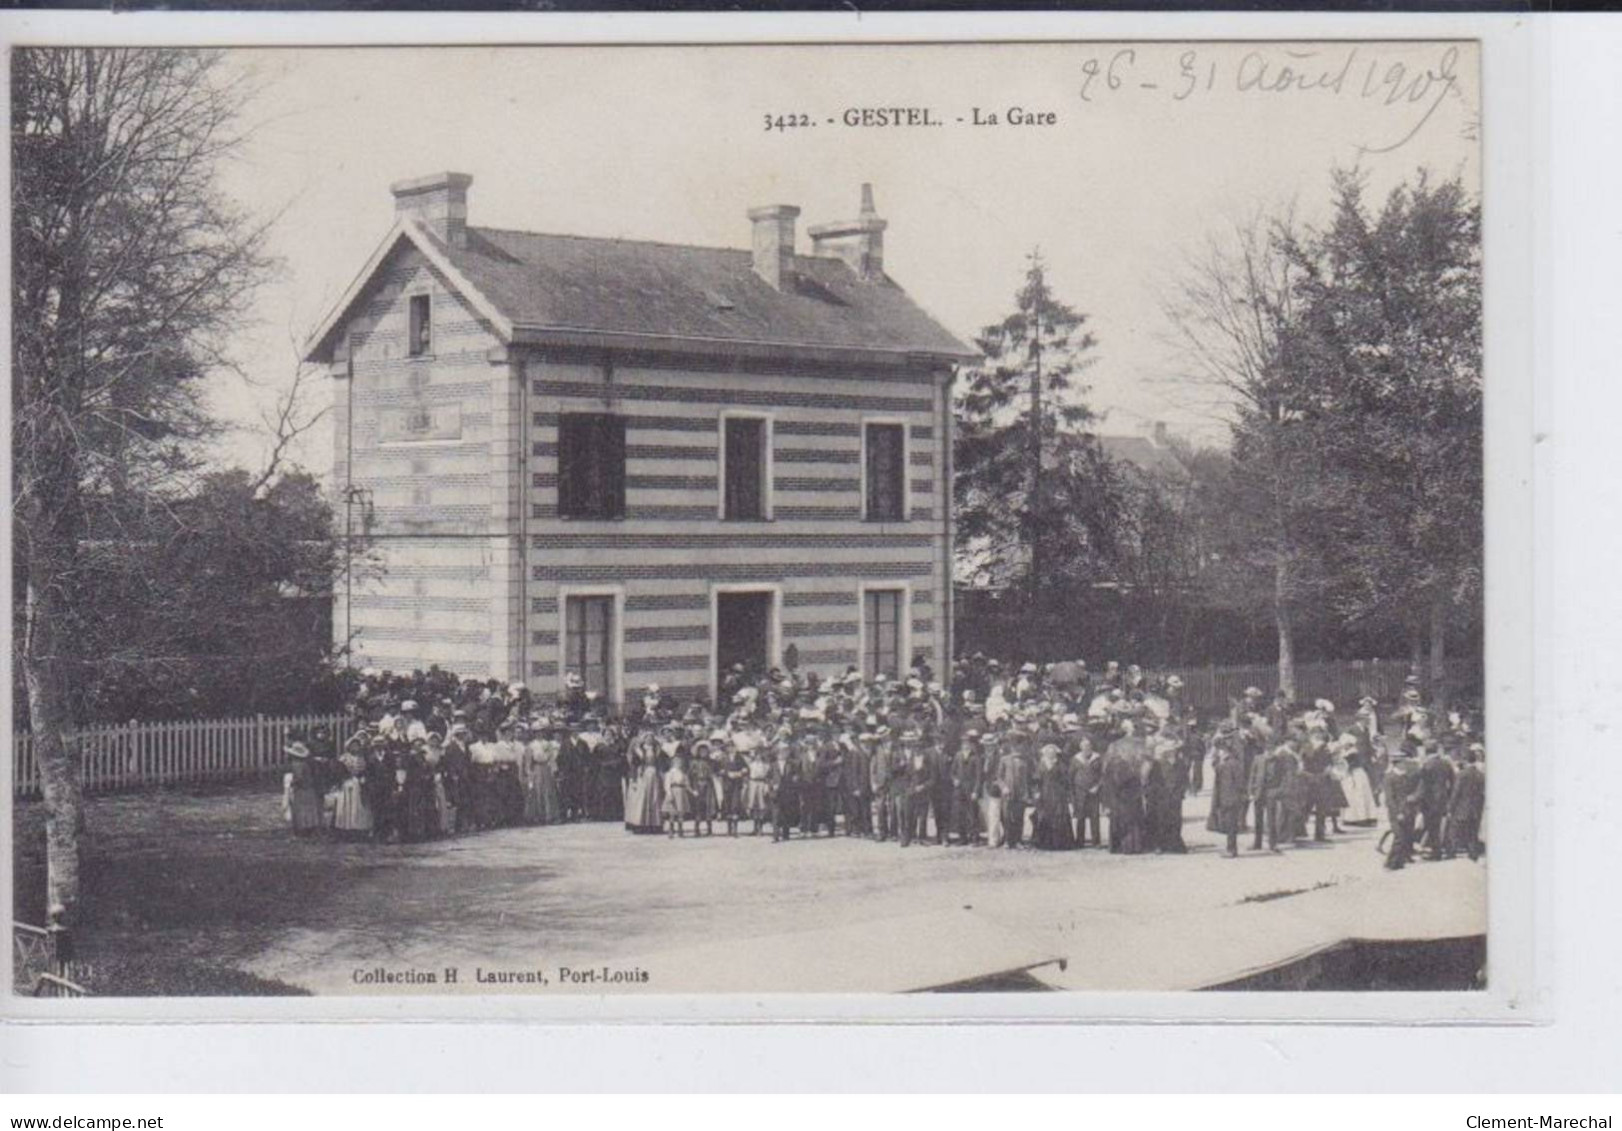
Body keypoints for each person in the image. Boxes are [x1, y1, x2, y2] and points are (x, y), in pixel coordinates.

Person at [1207, 726, 1249, 857]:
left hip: (1231, 798)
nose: (1218, 754)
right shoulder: (1225, 763)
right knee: (1229, 824)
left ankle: (1231, 850)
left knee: (1231, 825)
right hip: (1225, 797)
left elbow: (1240, 782)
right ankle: (1230, 848)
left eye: (1219, 751)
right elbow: (1216, 768)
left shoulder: (1232, 763)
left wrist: (1241, 795)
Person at [1031, 744, 1076, 850]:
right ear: (1045, 753)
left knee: (1059, 816)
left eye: (1053, 753)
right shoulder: (1041, 765)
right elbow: (1036, 781)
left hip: (1058, 794)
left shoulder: (1060, 765)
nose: (1051, 755)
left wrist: (1066, 792)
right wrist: (1037, 792)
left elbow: (1066, 780)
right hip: (1045, 793)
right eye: (1049, 753)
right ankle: (1044, 842)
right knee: (1044, 816)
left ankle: (1060, 843)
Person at [1383, 749, 1422, 870]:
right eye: (1402, 762)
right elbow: (1389, 799)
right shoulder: (1389, 777)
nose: (1404, 764)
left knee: (1407, 836)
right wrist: (1397, 813)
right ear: (1396, 763)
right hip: (1397, 813)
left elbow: (1414, 789)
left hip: (1409, 810)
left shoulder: (1406, 776)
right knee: (1399, 837)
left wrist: (1414, 796)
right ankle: (1390, 862)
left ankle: (1400, 861)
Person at [1447, 744, 1486, 860]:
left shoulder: (1462, 775)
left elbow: (1456, 793)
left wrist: (1450, 808)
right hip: (1475, 810)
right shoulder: (1481, 775)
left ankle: (1451, 853)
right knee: (1472, 834)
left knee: (1453, 832)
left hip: (1461, 809)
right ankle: (1473, 855)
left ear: (1465, 760)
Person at [285, 740, 324, 836]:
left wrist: (293, 783)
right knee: (309, 808)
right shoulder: (305, 764)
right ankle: (309, 826)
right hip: (309, 788)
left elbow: (299, 778)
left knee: (301, 808)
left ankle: (303, 828)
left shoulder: (297, 765)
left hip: (302, 789)